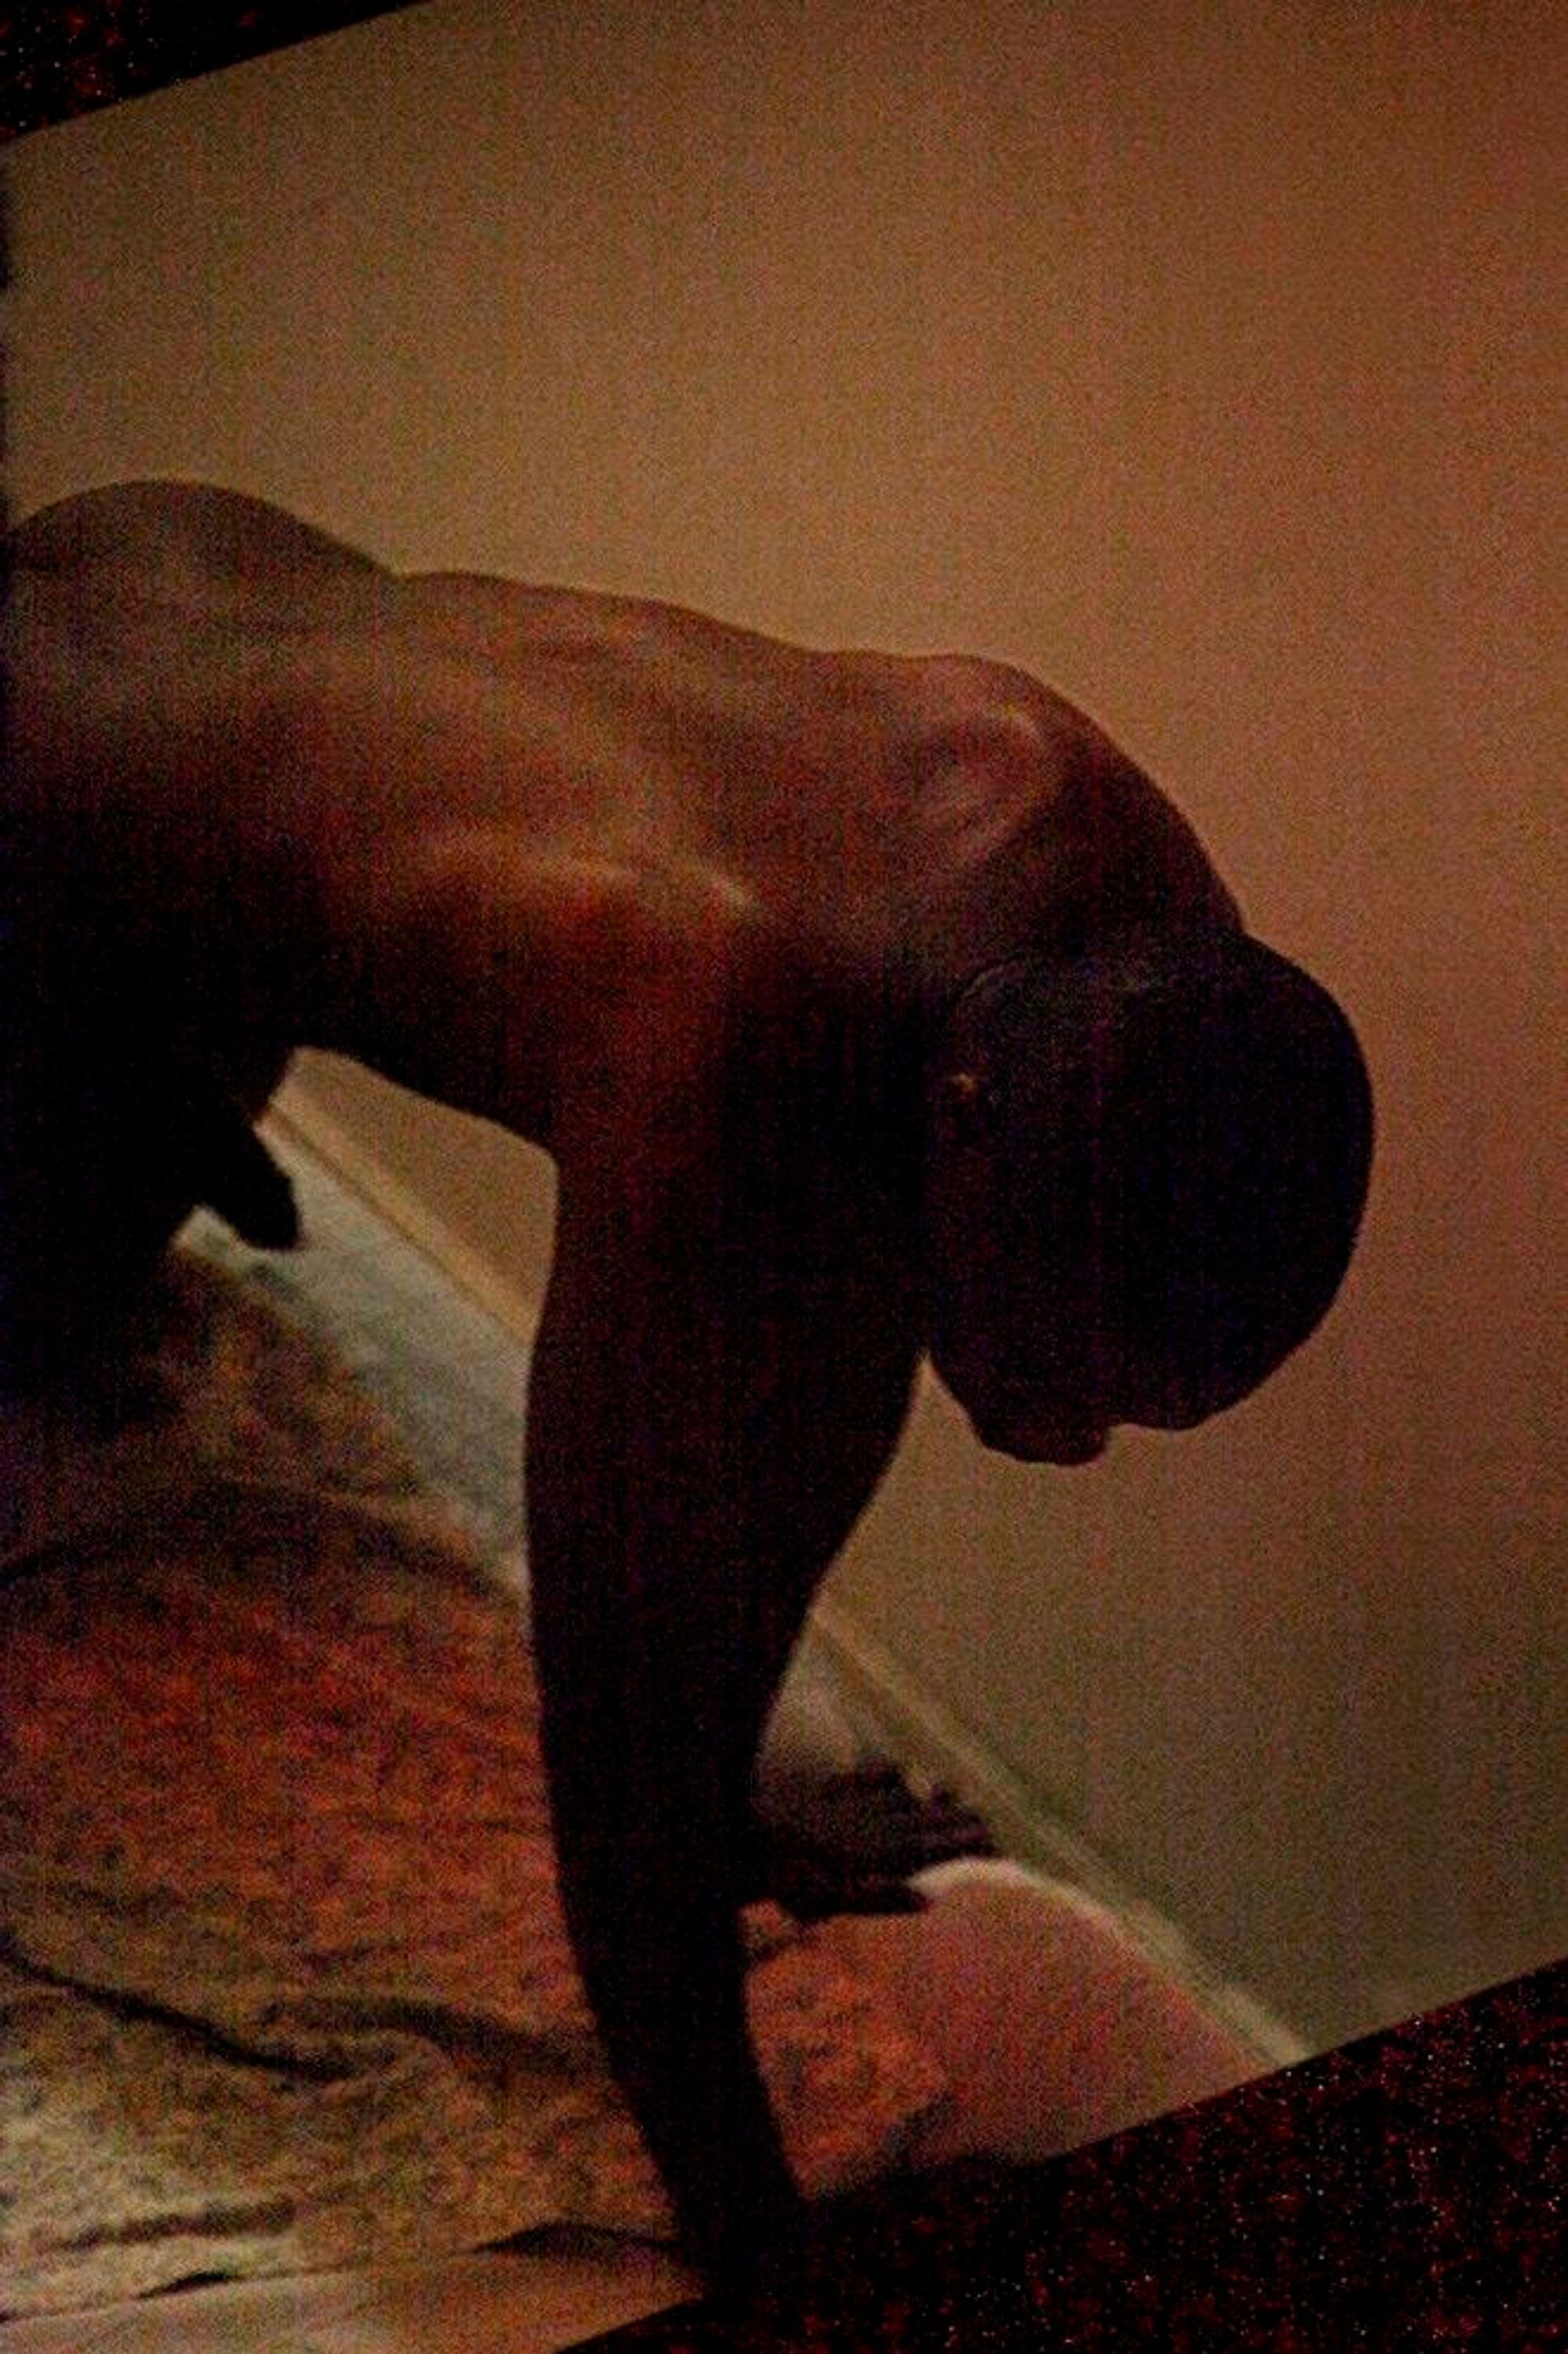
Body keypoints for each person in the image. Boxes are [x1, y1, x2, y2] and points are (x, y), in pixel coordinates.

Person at [1, 481, 1373, 2276]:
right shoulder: (715, 1033)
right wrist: (749, 2230)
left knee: (152, 1121)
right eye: (1049, 1372)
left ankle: (162, 1102)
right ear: (959, 1129)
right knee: (37, 1343)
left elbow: (805, 1425)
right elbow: (621, 1779)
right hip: (38, 803)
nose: (1055, 1440)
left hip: (178, 561)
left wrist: (742, 1775)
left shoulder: (1119, 887)